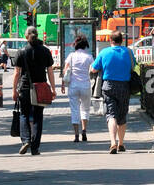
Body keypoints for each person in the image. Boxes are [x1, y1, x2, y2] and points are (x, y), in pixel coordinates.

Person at [11, 26, 55, 155]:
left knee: (24, 114)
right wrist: (53, 89)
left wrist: (14, 90)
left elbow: (16, 73)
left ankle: (25, 140)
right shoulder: (45, 51)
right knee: (38, 117)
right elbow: (50, 71)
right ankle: (35, 147)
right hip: (40, 87)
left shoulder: (21, 51)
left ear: (26, 36)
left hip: (24, 88)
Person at [91, 30, 135, 153]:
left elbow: (94, 69)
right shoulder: (128, 52)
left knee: (111, 115)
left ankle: (112, 143)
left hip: (108, 86)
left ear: (110, 40)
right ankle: (121, 143)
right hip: (124, 86)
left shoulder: (104, 52)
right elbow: (133, 66)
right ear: (122, 40)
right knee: (122, 115)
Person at [63, 34, 94, 143]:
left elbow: (65, 71)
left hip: (73, 86)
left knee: (74, 109)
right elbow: (93, 69)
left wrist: (63, 85)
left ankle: (76, 134)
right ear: (85, 45)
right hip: (85, 85)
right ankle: (84, 131)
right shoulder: (89, 57)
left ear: (75, 45)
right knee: (85, 109)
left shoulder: (71, 56)